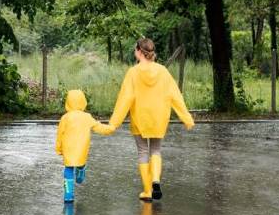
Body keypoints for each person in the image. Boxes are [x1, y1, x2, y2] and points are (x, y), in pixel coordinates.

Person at [109, 38, 195, 201]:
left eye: (135, 49)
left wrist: (114, 123)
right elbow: (175, 95)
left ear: (139, 51)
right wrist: (186, 118)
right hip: (159, 116)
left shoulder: (133, 72)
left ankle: (148, 191)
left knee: (142, 152)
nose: (134, 52)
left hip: (140, 117)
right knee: (155, 150)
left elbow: (125, 99)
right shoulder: (163, 71)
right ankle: (156, 181)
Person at [55, 89, 114, 203]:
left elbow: (60, 134)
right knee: (80, 163)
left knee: (68, 169)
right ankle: (80, 174)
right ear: (83, 102)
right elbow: (98, 127)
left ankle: (68, 195)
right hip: (81, 148)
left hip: (68, 148)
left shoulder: (65, 118)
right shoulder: (87, 117)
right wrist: (110, 129)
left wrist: (59, 148)